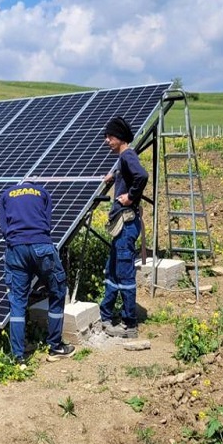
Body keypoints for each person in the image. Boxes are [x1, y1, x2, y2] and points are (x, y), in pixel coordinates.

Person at [0, 179, 76, 363]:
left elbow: (4, 227)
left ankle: (18, 356)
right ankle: (55, 346)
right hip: (41, 246)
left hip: (15, 249)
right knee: (57, 290)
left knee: (17, 301)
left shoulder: (6, 194)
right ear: (31, 185)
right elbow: (47, 224)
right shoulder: (42, 192)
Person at [98, 117, 148, 338]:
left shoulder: (127, 155)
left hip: (127, 224)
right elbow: (126, 174)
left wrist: (131, 196)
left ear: (119, 137)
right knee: (113, 269)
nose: (106, 140)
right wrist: (112, 176)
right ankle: (106, 314)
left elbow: (142, 175)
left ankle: (130, 324)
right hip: (121, 226)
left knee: (125, 273)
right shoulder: (122, 159)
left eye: (109, 137)